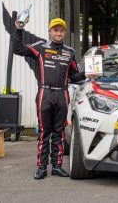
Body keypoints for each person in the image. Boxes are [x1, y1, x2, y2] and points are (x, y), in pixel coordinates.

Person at [13, 18, 94, 179]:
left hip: (62, 94)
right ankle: (42, 167)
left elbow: (74, 76)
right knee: (44, 133)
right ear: (49, 32)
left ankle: (56, 166)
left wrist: (87, 74)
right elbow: (18, 49)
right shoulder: (41, 47)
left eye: (61, 30)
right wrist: (18, 30)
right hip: (45, 94)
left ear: (64, 33)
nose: (58, 33)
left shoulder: (69, 52)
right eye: (55, 30)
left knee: (59, 132)